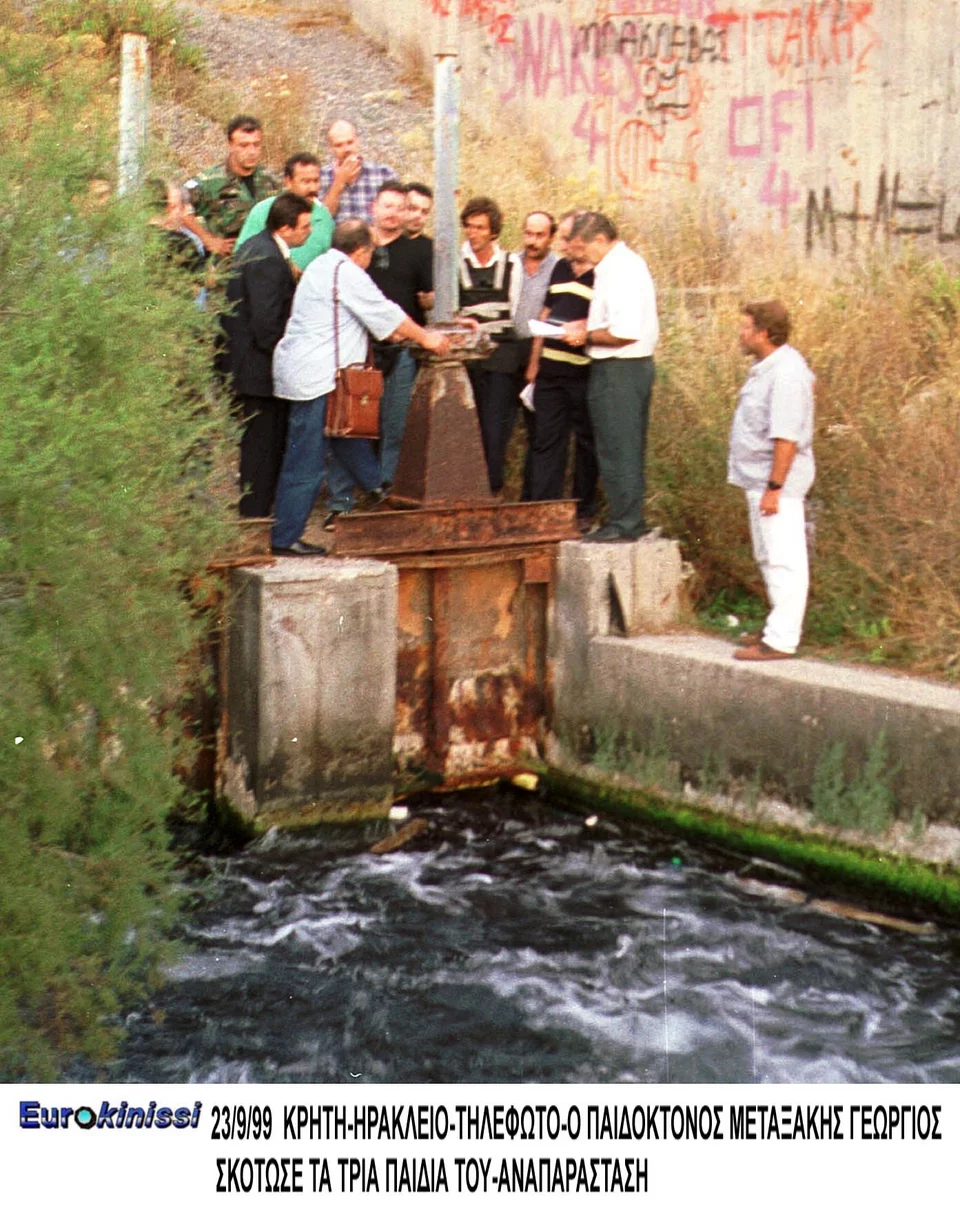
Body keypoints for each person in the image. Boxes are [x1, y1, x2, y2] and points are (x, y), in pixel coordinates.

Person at [270, 219, 451, 556]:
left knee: (346, 437)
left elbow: (370, 321)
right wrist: (426, 337)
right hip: (318, 377)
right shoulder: (347, 272)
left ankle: (382, 492)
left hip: (311, 372)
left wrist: (402, 333)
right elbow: (386, 313)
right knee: (306, 461)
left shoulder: (323, 266)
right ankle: (284, 538)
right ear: (362, 251)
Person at [324, 181, 434, 525]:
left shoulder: (420, 250)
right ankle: (340, 504)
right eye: (388, 206)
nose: (395, 214)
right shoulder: (354, 246)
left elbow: (426, 300)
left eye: (401, 207)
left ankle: (384, 499)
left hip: (400, 351)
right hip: (357, 353)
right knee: (348, 426)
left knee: (395, 427)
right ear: (374, 206)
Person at [728, 300, 815, 660]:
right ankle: (777, 627)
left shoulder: (786, 373)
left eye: (746, 327)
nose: (740, 333)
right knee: (769, 557)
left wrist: (775, 489)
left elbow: (786, 437)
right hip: (759, 481)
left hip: (775, 483)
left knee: (784, 559)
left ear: (764, 333)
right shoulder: (768, 368)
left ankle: (781, 639)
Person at [563, 212, 658, 542]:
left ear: (600, 240)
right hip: (624, 367)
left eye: (583, 249)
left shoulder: (621, 270)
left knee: (618, 447)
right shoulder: (618, 267)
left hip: (620, 368)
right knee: (621, 446)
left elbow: (624, 332)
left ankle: (625, 523)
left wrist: (584, 336)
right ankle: (626, 517)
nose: (581, 257)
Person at [221, 193, 314, 518]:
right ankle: (256, 518)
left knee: (258, 447)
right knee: (262, 448)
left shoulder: (257, 247)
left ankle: (255, 514)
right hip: (257, 372)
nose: (309, 232)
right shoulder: (269, 260)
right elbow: (266, 323)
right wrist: (289, 355)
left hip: (248, 368)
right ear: (285, 227)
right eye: (304, 227)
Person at [524, 209, 598, 529]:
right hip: (551, 370)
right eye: (564, 238)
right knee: (546, 440)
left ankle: (583, 512)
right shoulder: (560, 269)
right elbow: (546, 311)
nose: (565, 245)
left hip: (583, 371)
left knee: (586, 443)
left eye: (569, 238)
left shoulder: (603, 275)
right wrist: (534, 362)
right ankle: (543, 512)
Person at [456, 196, 524, 494]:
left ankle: (491, 488)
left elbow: (516, 308)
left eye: (481, 228)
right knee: (464, 422)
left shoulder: (511, 263)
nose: (474, 234)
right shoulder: (454, 263)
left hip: (501, 355)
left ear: (493, 230)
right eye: (470, 227)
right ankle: (464, 487)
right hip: (467, 356)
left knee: (495, 425)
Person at [182, 115, 280, 258]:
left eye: (256, 144)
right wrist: (208, 239)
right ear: (231, 145)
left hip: (266, 263)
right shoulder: (211, 181)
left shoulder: (271, 180)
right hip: (228, 267)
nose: (252, 152)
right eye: (244, 145)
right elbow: (179, 207)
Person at [235, 152, 334, 271]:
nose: (313, 188)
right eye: (306, 182)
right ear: (288, 182)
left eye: (316, 181)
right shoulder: (263, 210)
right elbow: (242, 256)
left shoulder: (324, 217)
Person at [320, 120, 396, 221]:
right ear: (331, 148)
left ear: (358, 141)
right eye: (339, 145)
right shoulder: (320, 177)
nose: (346, 149)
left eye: (350, 142)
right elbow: (320, 221)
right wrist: (339, 182)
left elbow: (398, 216)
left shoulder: (384, 174)